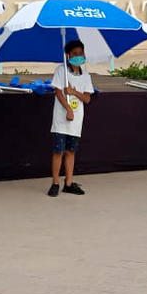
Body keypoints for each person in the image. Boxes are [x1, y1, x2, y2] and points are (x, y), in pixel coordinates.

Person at [48, 40, 94, 197]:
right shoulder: (61, 71)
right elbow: (58, 92)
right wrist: (68, 109)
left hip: (76, 121)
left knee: (70, 151)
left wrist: (74, 93)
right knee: (58, 151)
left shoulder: (86, 76)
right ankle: (55, 183)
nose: (78, 56)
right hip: (61, 119)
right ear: (68, 55)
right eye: (74, 54)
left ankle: (68, 183)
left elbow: (87, 99)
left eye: (81, 53)